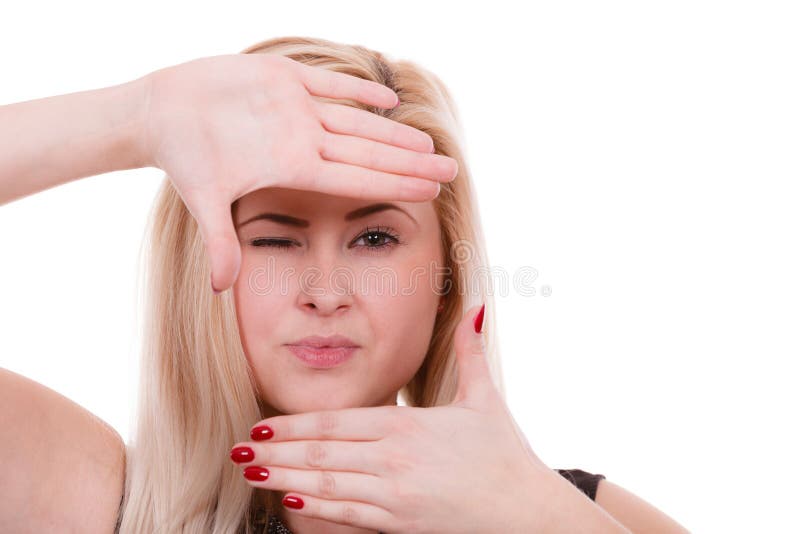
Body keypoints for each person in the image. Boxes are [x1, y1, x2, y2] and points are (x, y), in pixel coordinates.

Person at [0, 35, 690, 534]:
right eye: (274, 237)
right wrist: (139, 118)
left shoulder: (581, 517)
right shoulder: (103, 502)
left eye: (375, 238)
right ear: (206, 275)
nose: (324, 292)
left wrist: (540, 518)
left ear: (445, 285)